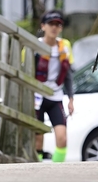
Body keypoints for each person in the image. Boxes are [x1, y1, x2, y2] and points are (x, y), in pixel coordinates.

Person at [32, 9, 75, 162]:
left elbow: (68, 74)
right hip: (36, 97)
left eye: (58, 24)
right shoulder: (34, 45)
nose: (54, 27)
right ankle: (36, 169)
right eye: (51, 24)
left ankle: (57, 169)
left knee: (62, 138)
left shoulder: (64, 46)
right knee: (37, 140)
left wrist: (71, 99)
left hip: (55, 96)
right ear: (43, 26)